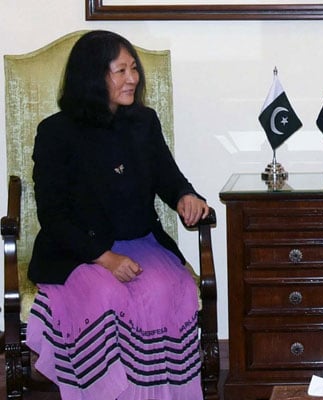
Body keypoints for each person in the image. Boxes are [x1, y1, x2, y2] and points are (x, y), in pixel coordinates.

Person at [25, 30, 210, 400]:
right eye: (120, 70)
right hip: (77, 250)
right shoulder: (55, 133)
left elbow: (167, 177)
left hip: (139, 240)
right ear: (93, 77)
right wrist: (105, 258)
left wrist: (186, 196)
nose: (133, 78)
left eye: (134, 69)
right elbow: (54, 214)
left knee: (170, 290)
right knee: (107, 296)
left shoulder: (143, 122)